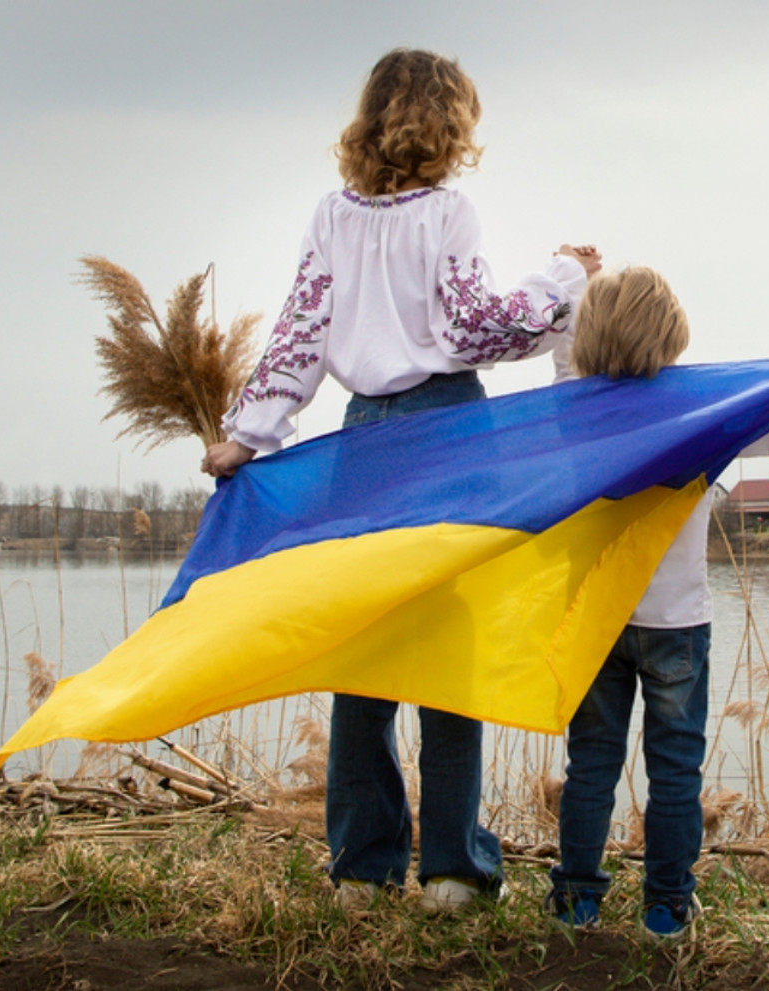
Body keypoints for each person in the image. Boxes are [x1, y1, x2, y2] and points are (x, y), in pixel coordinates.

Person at [202, 48, 599, 914]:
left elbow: (300, 334)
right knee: (449, 649)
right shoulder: (450, 214)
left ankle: (362, 868)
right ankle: (453, 871)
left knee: (366, 647)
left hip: (363, 441)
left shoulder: (331, 217)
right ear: (450, 125)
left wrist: (245, 434)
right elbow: (477, 328)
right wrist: (566, 278)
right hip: (450, 432)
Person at [545, 267, 769, 938]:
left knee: (590, 762)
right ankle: (666, 906)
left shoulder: (571, 410)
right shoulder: (695, 415)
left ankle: (576, 900)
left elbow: (569, 356)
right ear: (670, 337)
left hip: (598, 618)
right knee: (676, 770)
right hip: (676, 626)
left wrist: (576, 281)